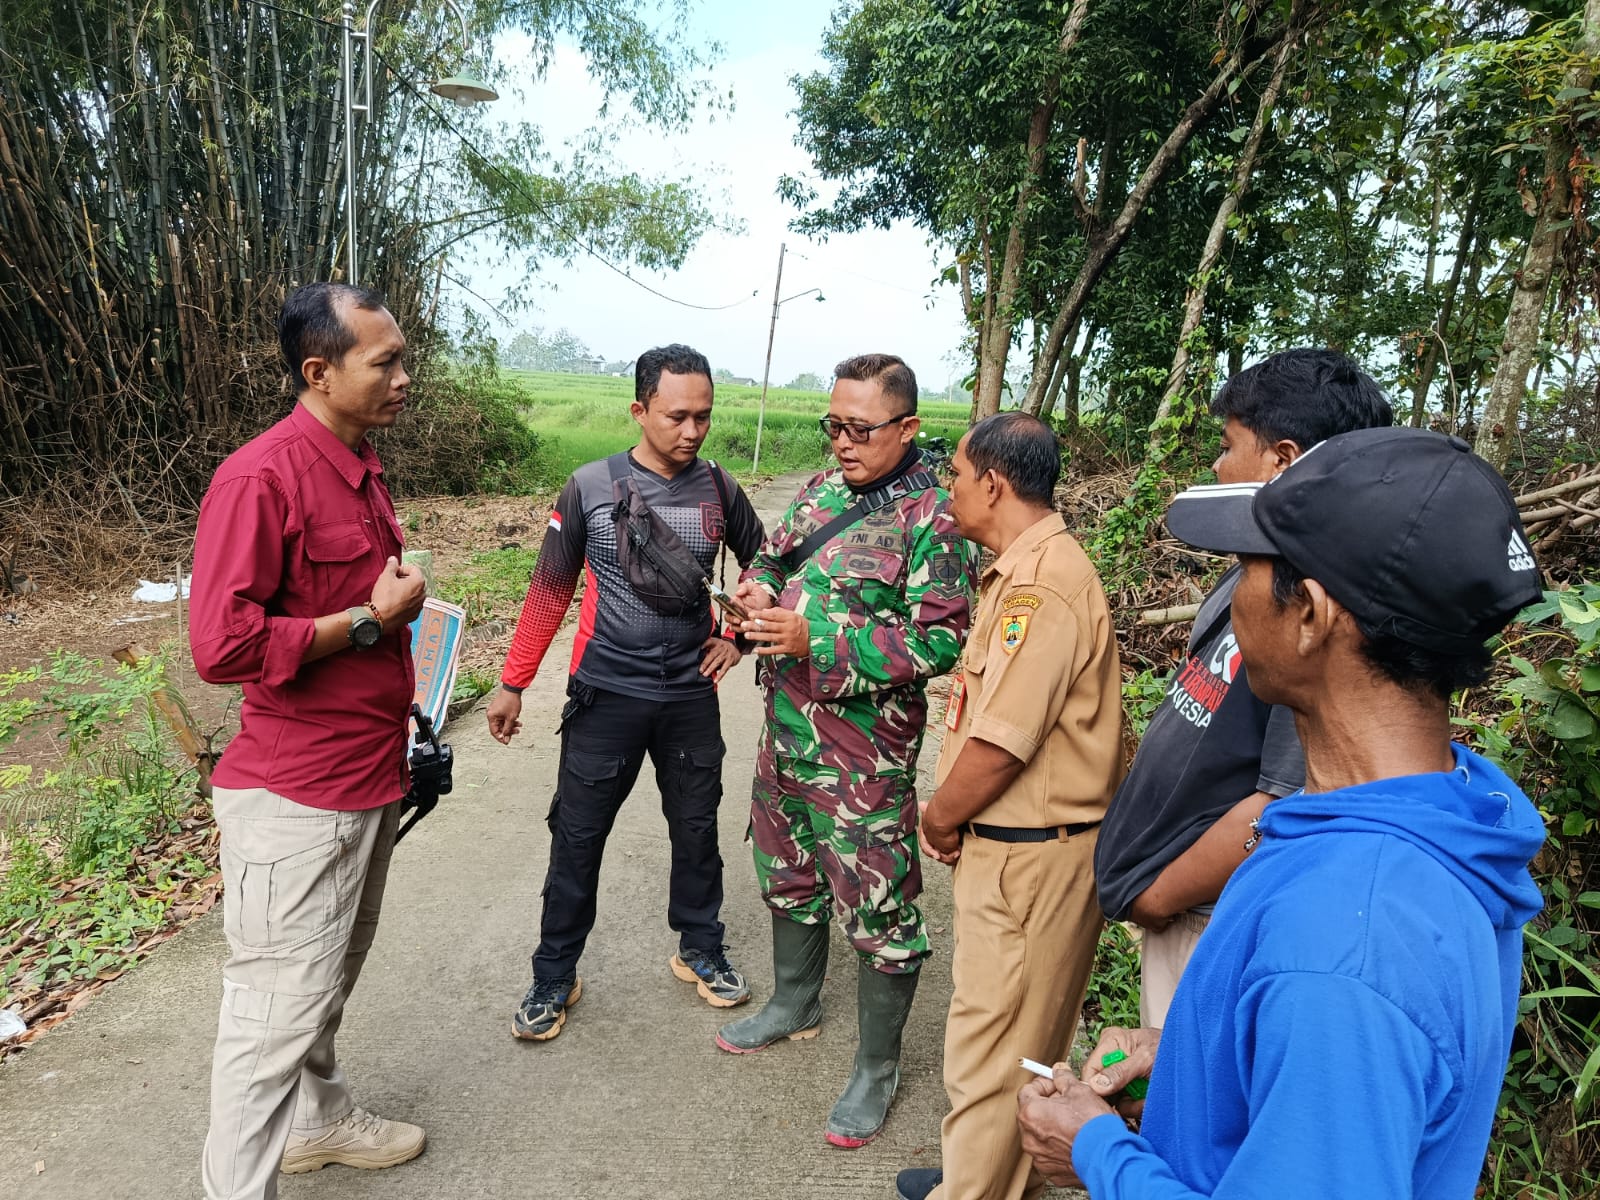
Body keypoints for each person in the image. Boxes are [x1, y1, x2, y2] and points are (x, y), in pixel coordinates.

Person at [1016, 426, 1547, 1197]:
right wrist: (1188, 1053)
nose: (1234, 596)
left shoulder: (1344, 944)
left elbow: (1338, 1003)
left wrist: (1096, 1152)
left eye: (1247, 568)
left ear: (1312, 616)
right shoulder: (1436, 816)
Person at [190, 282, 430, 1199]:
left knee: (323, 980)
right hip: (297, 799)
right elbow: (221, 646)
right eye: (387, 362)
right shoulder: (261, 476)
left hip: (365, 775)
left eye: (404, 357)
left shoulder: (358, 465)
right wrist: (366, 624)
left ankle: (320, 1122)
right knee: (266, 1021)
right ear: (318, 372)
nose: (405, 377)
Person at [716, 352, 975, 1149]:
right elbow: (774, 556)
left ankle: (876, 1066)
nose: (842, 443)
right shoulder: (824, 489)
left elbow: (942, 639)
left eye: (859, 429)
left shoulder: (936, 516)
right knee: (785, 873)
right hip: (785, 736)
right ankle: (797, 1001)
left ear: (907, 427)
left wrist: (816, 636)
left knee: (880, 908)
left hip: (865, 757)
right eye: (833, 424)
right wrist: (759, 590)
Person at [1093, 349, 1392, 1027]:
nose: (1217, 468)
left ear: (1282, 460)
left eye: (1229, 447)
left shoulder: (1311, 611)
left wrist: (1161, 895)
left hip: (1209, 919)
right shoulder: (1252, 572)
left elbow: (1283, 801)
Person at [487, 344, 765, 1041]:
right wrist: (513, 682)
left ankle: (700, 947)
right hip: (606, 693)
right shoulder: (589, 487)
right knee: (577, 837)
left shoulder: (720, 489)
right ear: (639, 410)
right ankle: (555, 973)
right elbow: (549, 591)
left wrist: (741, 639)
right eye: (677, 416)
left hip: (689, 696)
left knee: (697, 829)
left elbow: (771, 566)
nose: (693, 431)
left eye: (704, 416)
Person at [894, 413, 1124, 1200]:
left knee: (990, 1053)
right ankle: (990, 1179)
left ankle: (973, 1190)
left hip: (1030, 855)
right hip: (1029, 847)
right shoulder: (1026, 571)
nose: (948, 491)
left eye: (955, 476)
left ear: (993, 483)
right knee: (1018, 1041)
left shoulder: (1042, 587)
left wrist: (939, 816)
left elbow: (1001, 743)